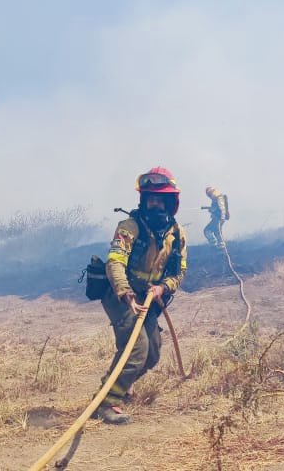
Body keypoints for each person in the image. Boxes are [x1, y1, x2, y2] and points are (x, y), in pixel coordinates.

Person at [94, 166, 188, 424]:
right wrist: (125, 293)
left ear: (171, 203)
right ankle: (106, 402)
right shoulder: (129, 227)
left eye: (160, 200)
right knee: (136, 350)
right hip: (120, 295)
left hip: (149, 299)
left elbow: (179, 271)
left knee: (153, 354)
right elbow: (114, 263)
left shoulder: (176, 234)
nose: (155, 204)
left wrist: (163, 287)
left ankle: (121, 384)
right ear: (143, 200)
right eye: (150, 199)